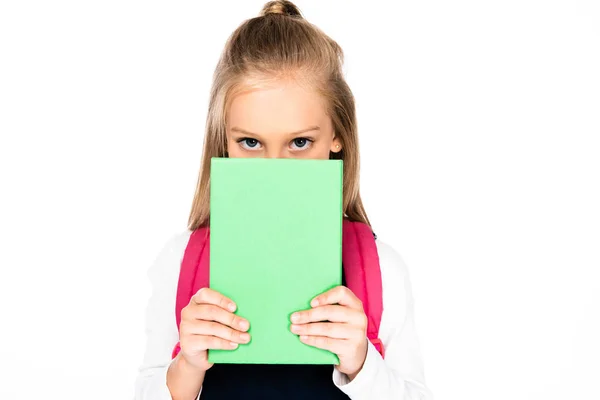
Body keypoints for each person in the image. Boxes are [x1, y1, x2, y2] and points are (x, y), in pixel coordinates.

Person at [134, 1, 433, 399]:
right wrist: (187, 366)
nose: (274, 170)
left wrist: (362, 364)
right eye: (251, 142)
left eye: (299, 142)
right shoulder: (180, 262)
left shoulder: (381, 269)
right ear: (224, 141)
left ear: (336, 137)